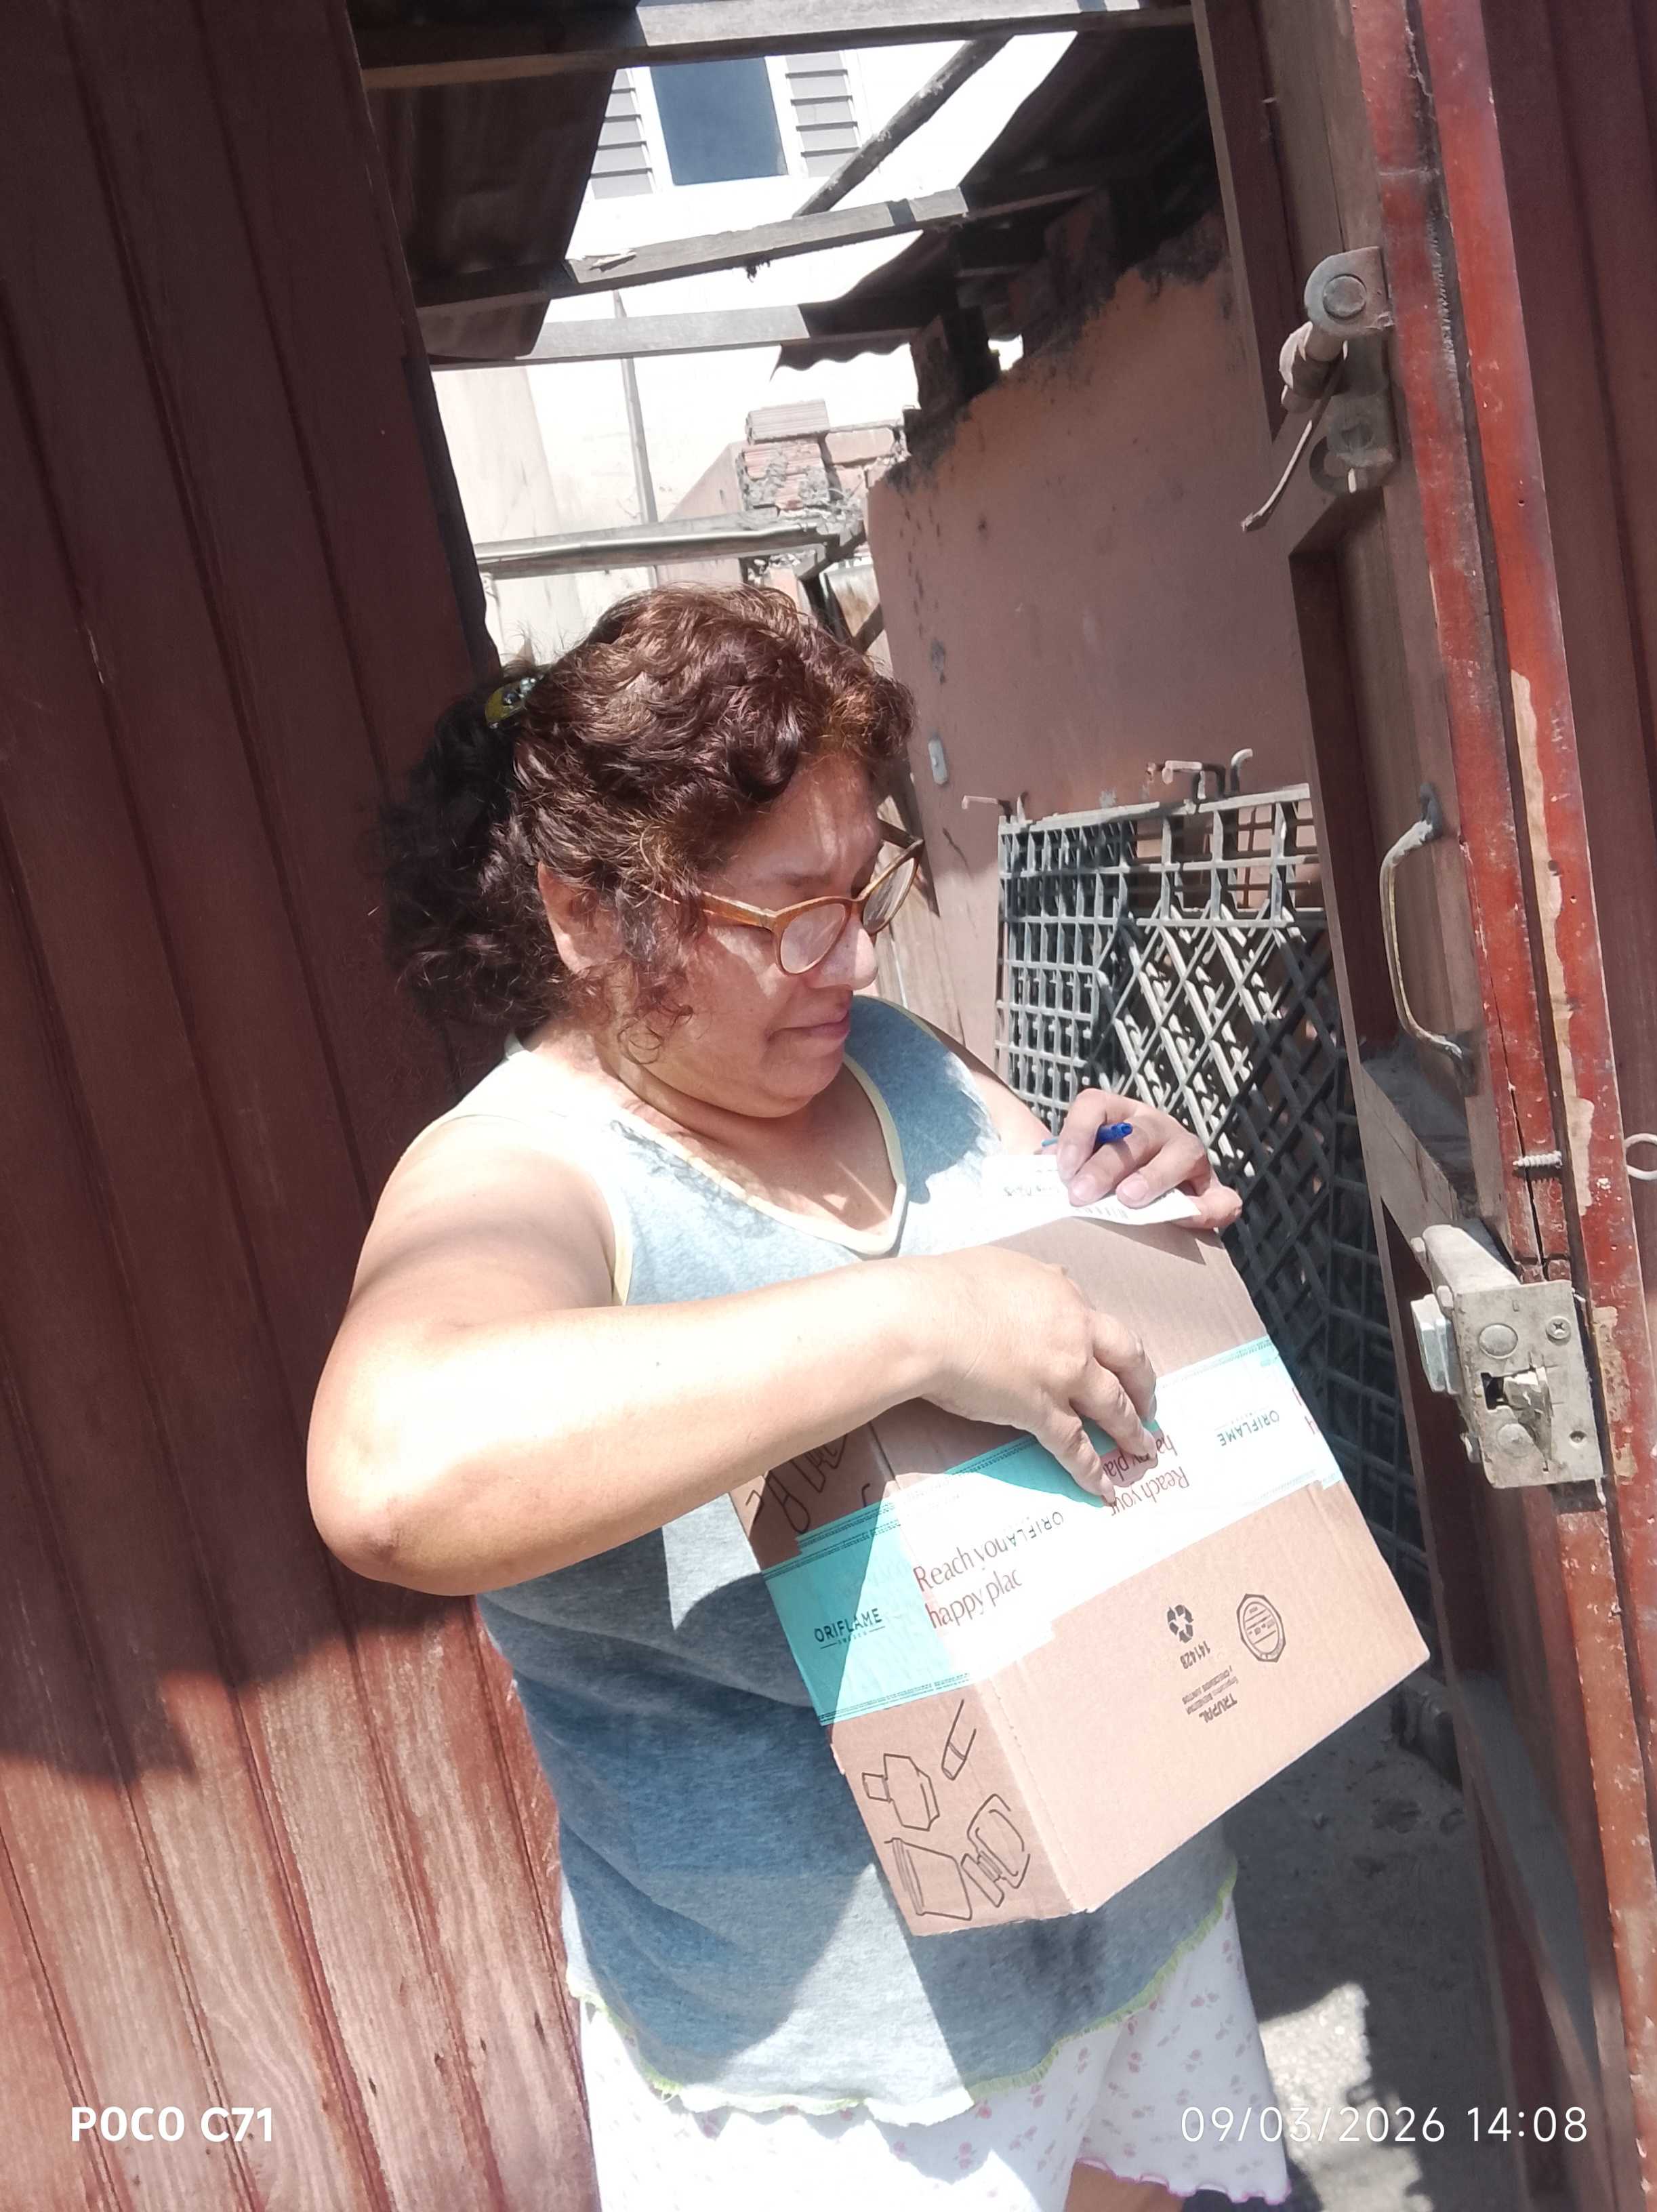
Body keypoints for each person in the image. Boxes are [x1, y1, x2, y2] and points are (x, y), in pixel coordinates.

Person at [308, 586, 1291, 2211]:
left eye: (865, 887)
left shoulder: (890, 1055)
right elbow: (391, 1474)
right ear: (584, 917)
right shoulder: (522, 1176)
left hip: (1132, 1914)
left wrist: (1117, 1201)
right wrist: (909, 1322)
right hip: (852, 2076)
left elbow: (1042, 1285)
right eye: (786, 916)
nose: (854, 954)